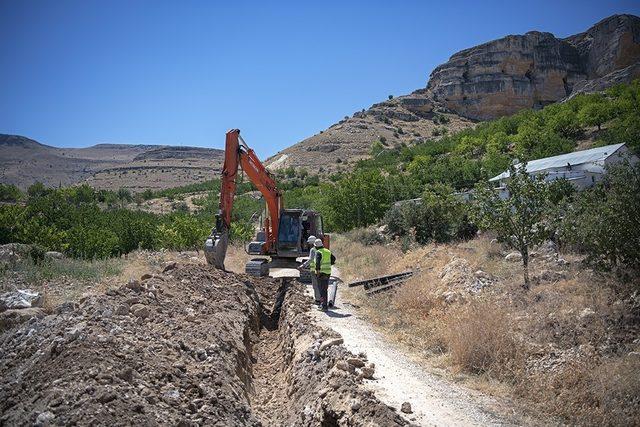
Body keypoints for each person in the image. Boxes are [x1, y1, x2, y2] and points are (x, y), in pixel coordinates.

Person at [314, 238, 335, 311]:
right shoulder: (328, 251)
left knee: (321, 290)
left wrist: (318, 272)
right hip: (328, 273)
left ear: (316, 246)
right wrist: (330, 264)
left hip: (321, 274)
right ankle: (323, 305)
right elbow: (333, 259)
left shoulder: (318, 252)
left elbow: (317, 263)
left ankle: (324, 307)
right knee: (324, 290)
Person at [299, 235, 320, 304]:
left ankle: (318, 300)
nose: (309, 244)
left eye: (310, 243)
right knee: (322, 286)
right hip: (324, 271)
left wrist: (303, 265)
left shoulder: (313, 250)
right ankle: (323, 300)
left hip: (315, 271)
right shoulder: (324, 250)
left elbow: (310, 260)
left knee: (315, 286)